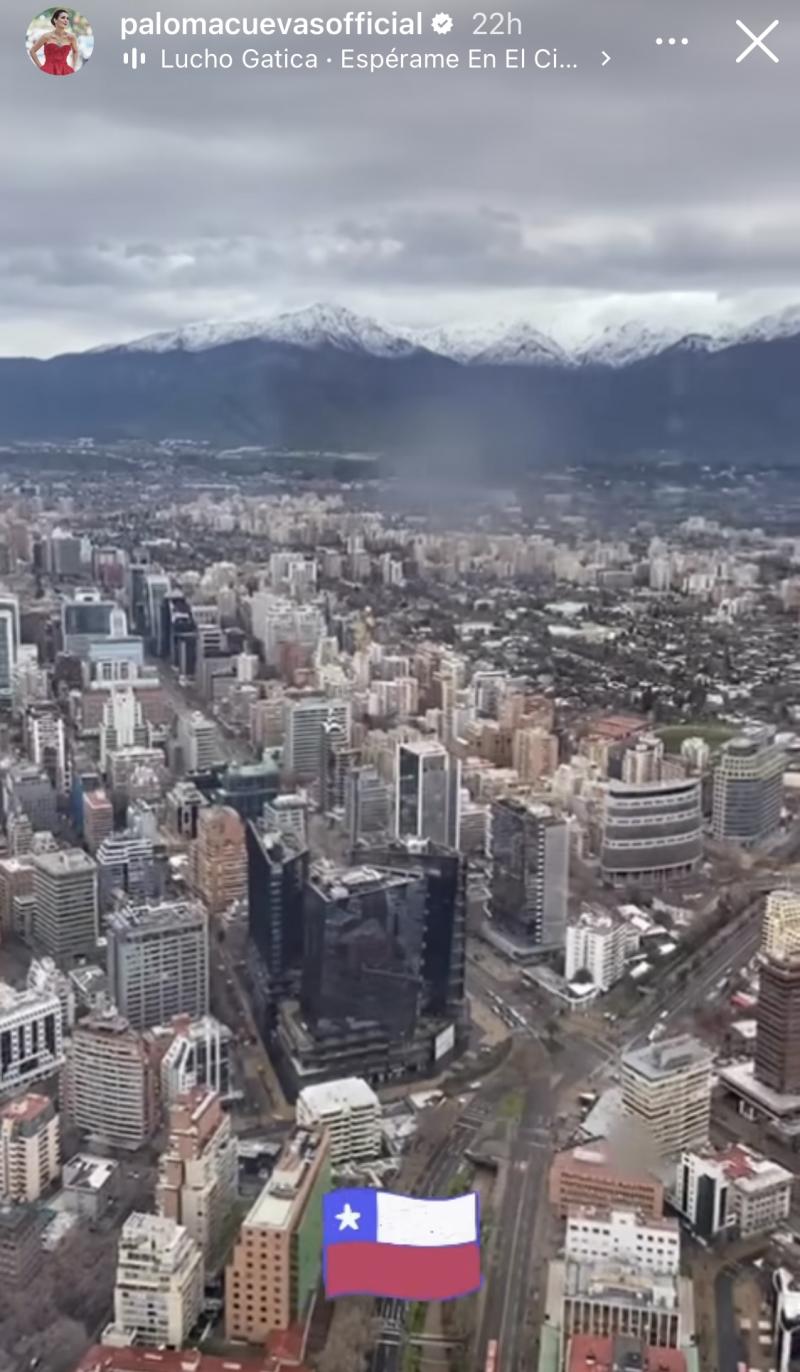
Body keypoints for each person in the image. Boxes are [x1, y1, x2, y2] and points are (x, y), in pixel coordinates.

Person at [30, 8, 78, 75]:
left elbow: (75, 51)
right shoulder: (46, 36)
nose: (66, 20)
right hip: (48, 70)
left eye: (67, 18)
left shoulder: (71, 37)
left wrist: (73, 67)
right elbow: (32, 51)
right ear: (55, 20)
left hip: (65, 71)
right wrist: (41, 67)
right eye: (63, 18)